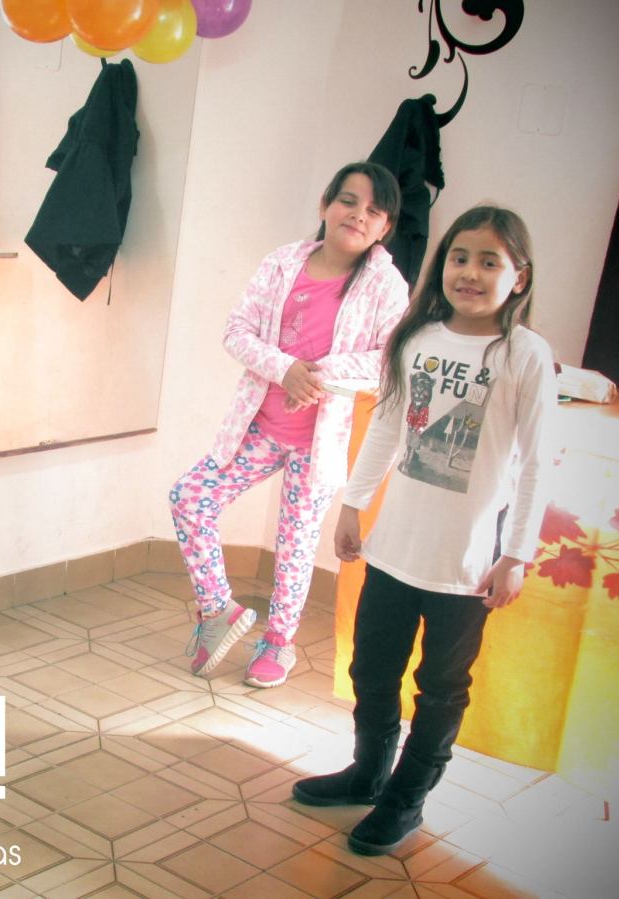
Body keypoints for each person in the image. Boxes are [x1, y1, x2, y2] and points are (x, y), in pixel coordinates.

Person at [291, 206, 558, 857]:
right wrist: (353, 505)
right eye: (459, 257)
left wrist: (516, 554)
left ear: (519, 277)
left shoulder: (525, 354)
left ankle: (405, 799)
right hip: (393, 550)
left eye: (489, 261)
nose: (470, 272)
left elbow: (535, 464)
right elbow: (386, 426)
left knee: (439, 690)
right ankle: (367, 773)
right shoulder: (416, 338)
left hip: (465, 566)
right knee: (370, 668)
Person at [169, 162, 409, 689]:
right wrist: (285, 369)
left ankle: (279, 644)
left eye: (373, 211)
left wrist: (319, 372)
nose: (358, 215)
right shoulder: (282, 263)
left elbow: (391, 360)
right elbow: (237, 332)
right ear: (326, 203)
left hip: (320, 443)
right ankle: (218, 610)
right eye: (348, 201)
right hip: (259, 426)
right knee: (189, 497)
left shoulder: (386, 285)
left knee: (296, 543)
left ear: (385, 227)